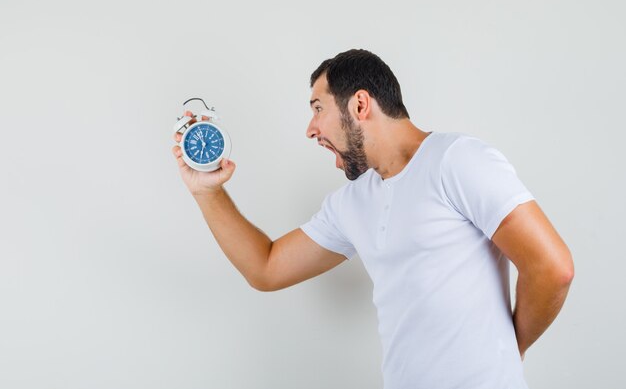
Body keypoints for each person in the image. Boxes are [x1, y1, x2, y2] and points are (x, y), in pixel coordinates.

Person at [172, 49, 574, 389]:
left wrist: (508, 348)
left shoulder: (457, 160)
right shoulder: (352, 203)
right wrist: (208, 191)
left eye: (318, 108)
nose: (311, 129)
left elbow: (552, 267)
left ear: (359, 104)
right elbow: (266, 268)